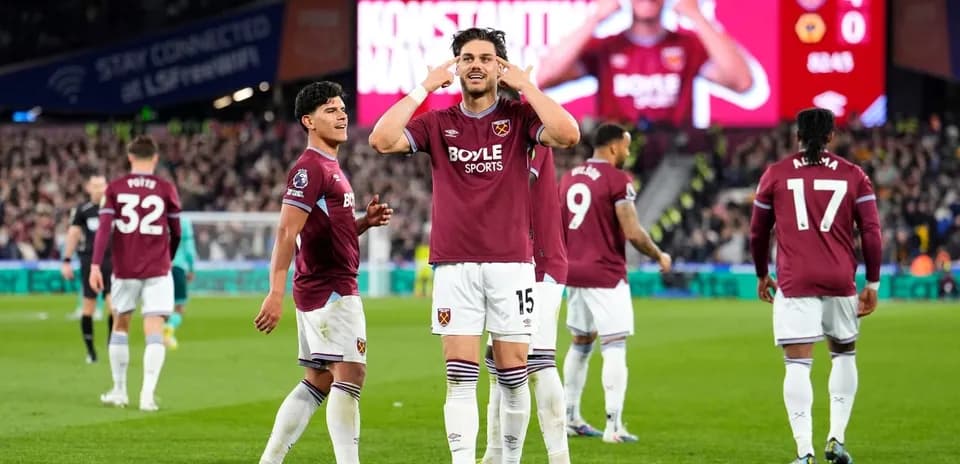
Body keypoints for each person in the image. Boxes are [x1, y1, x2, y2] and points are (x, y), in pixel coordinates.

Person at [368, 27, 580, 464]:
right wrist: (424, 87)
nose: (476, 65)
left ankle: (511, 459)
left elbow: (568, 134)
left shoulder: (520, 119)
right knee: (460, 379)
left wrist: (526, 86)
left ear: (500, 67)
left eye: (486, 58)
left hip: (511, 264)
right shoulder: (438, 122)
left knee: (514, 375)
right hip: (454, 265)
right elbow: (382, 139)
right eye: (467, 58)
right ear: (456, 66)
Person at [254, 81, 393, 464]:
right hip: (330, 289)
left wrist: (363, 223)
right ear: (308, 121)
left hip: (328, 286)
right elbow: (287, 231)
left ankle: (271, 459)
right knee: (351, 375)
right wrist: (275, 292)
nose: (342, 114)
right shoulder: (309, 167)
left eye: (342, 108)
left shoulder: (331, 166)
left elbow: (326, 227)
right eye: (330, 110)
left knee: (319, 380)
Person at [749, 108, 882, 464]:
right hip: (841, 280)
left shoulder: (775, 175)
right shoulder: (855, 176)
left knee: (797, 365)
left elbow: (758, 232)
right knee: (844, 354)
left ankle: (804, 451)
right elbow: (871, 231)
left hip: (795, 282)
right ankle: (836, 438)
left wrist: (762, 273)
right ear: (831, 137)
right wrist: (872, 281)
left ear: (797, 136)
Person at [559, 123, 672, 443]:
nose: (628, 151)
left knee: (581, 343)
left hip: (574, 272)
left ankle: (571, 417)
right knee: (614, 346)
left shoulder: (569, 177)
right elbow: (633, 232)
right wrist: (658, 254)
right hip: (606, 274)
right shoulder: (618, 180)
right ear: (612, 147)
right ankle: (614, 425)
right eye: (626, 145)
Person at [481, 144, 571, 464]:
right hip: (505, 261)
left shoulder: (527, 127)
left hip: (538, 260)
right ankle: (493, 454)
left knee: (536, 363)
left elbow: (511, 187)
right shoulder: (493, 128)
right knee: (498, 362)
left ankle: (559, 458)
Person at [537, 0, 752, 127]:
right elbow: (545, 76)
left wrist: (697, 16)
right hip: (617, 158)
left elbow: (741, 81)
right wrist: (596, 17)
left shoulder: (688, 46)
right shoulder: (607, 48)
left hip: (674, 161)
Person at [90, 135, 182, 412]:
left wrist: (96, 264)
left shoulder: (115, 188)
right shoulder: (166, 188)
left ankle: (119, 391)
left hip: (124, 268)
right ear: (154, 158)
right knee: (154, 329)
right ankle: (147, 395)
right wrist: (169, 255)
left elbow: (104, 229)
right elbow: (175, 231)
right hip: (157, 268)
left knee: (120, 323)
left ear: (130, 157)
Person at [61, 172, 115, 363]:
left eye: (103, 185)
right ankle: (91, 352)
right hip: (89, 262)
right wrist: (66, 260)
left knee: (114, 307)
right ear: (88, 188)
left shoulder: (116, 208)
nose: (100, 189)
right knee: (89, 307)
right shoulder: (83, 210)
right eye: (96, 185)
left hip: (112, 262)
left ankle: (111, 345)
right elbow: (73, 234)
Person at [164, 214, 196, 349]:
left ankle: (163, 335)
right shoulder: (184, 222)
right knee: (179, 307)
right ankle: (169, 329)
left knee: (161, 306)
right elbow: (189, 249)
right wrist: (191, 268)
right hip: (178, 267)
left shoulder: (157, 218)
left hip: (160, 268)